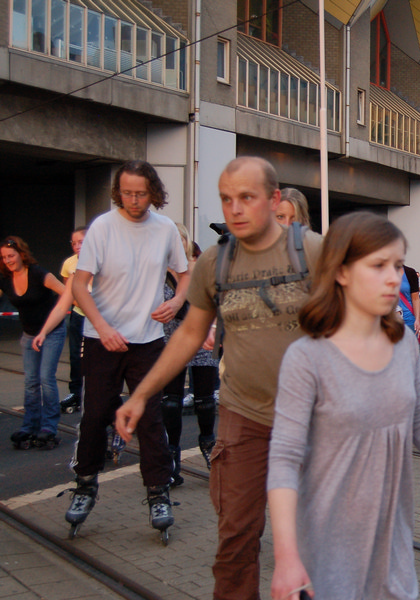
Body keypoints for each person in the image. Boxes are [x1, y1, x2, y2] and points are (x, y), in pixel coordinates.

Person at [115, 156, 322, 600]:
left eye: (247, 197)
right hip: (243, 417)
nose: (235, 208)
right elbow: (190, 334)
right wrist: (141, 395)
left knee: (312, 543)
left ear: (274, 199)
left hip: (311, 420)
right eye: (227, 199)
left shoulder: (315, 252)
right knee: (235, 538)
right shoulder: (215, 262)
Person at [267, 212, 420, 600]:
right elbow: (284, 459)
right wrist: (286, 557)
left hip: (392, 548)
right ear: (341, 272)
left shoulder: (403, 344)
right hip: (327, 553)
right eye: (378, 265)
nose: (393, 278)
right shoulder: (307, 358)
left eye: (398, 265)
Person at [65, 160, 188, 539]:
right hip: (101, 339)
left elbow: (184, 274)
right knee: (95, 414)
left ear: (153, 193)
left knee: (150, 418)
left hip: (147, 340)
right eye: (127, 193)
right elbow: (80, 285)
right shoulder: (102, 227)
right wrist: (102, 328)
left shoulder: (165, 229)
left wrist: (176, 301)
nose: (134, 201)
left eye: (141, 194)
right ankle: (85, 484)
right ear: (118, 193)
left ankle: (158, 491)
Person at [160, 224, 218, 486]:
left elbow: (215, 301)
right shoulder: (158, 273)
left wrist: (214, 330)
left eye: (179, 238)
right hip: (170, 340)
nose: (175, 243)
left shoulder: (201, 267)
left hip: (202, 338)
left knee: (205, 401)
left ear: (186, 241)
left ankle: (208, 445)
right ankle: (171, 456)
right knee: (171, 402)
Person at [1, 236, 66, 449]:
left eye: (11, 256)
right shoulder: (5, 279)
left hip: (52, 332)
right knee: (30, 381)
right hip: (29, 335)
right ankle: (29, 426)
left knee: (46, 378)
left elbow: (67, 294)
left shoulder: (39, 274)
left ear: (22, 254)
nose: (8, 260)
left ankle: (49, 427)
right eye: (4, 257)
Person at [59, 226, 87, 414]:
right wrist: (80, 303)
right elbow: (67, 291)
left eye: (81, 242)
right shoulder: (69, 264)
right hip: (79, 313)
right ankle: (75, 392)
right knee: (76, 355)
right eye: (74, 243)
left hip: (98, 315)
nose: (77, 246)